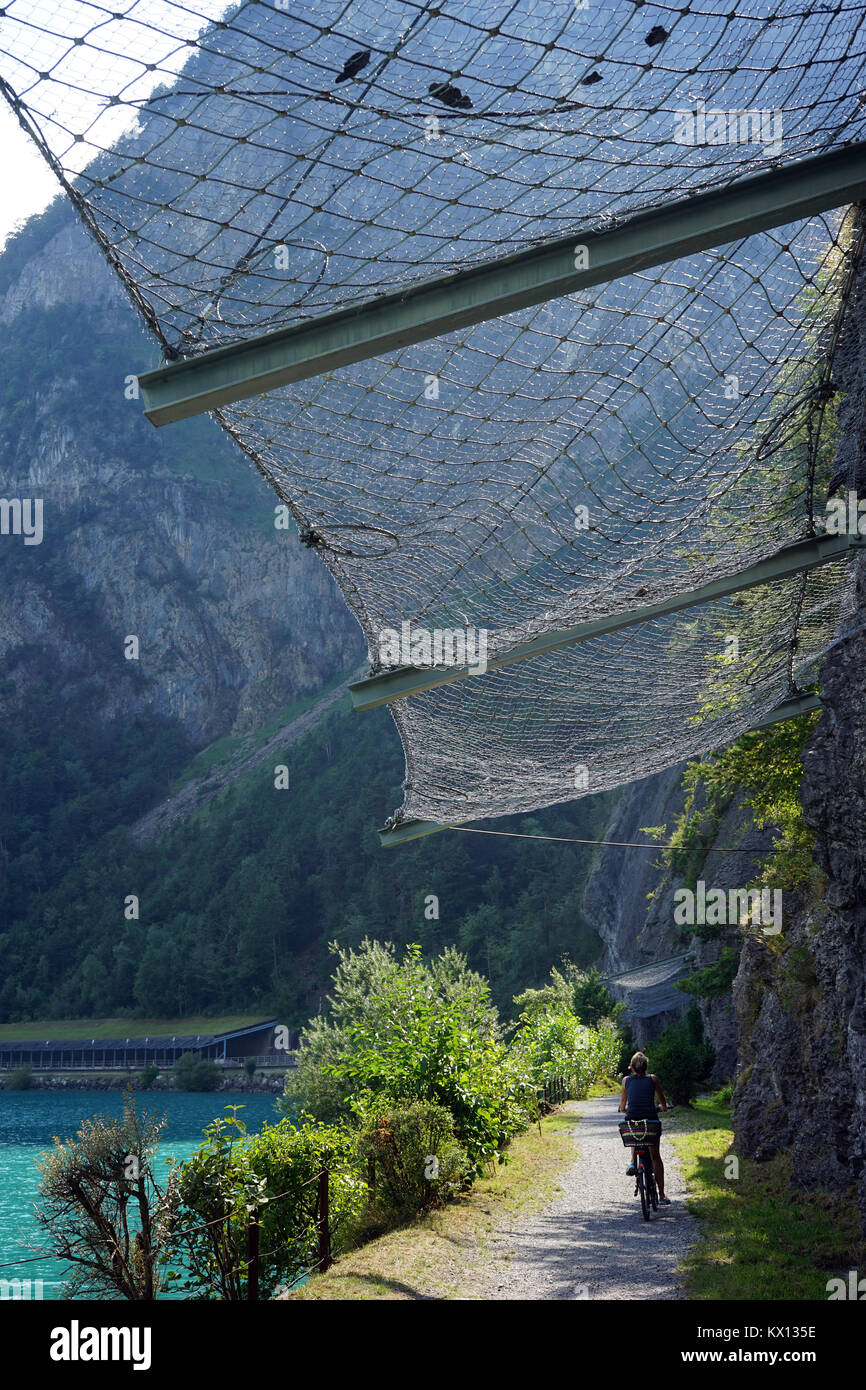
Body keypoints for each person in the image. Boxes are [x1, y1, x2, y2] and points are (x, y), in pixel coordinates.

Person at [619, 1050, 671, 1206]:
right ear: (646, 1067)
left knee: (635, 1132)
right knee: (655, 1157)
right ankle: (661, 1195)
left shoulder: (625, 1080)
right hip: (651, 1122)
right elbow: (663, 1104)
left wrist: (627, 1110)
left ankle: (632, 1163)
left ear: (632, 1067)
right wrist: (663, 1108)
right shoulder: (653, 1079)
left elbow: (623, 1107)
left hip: (633, 1124)